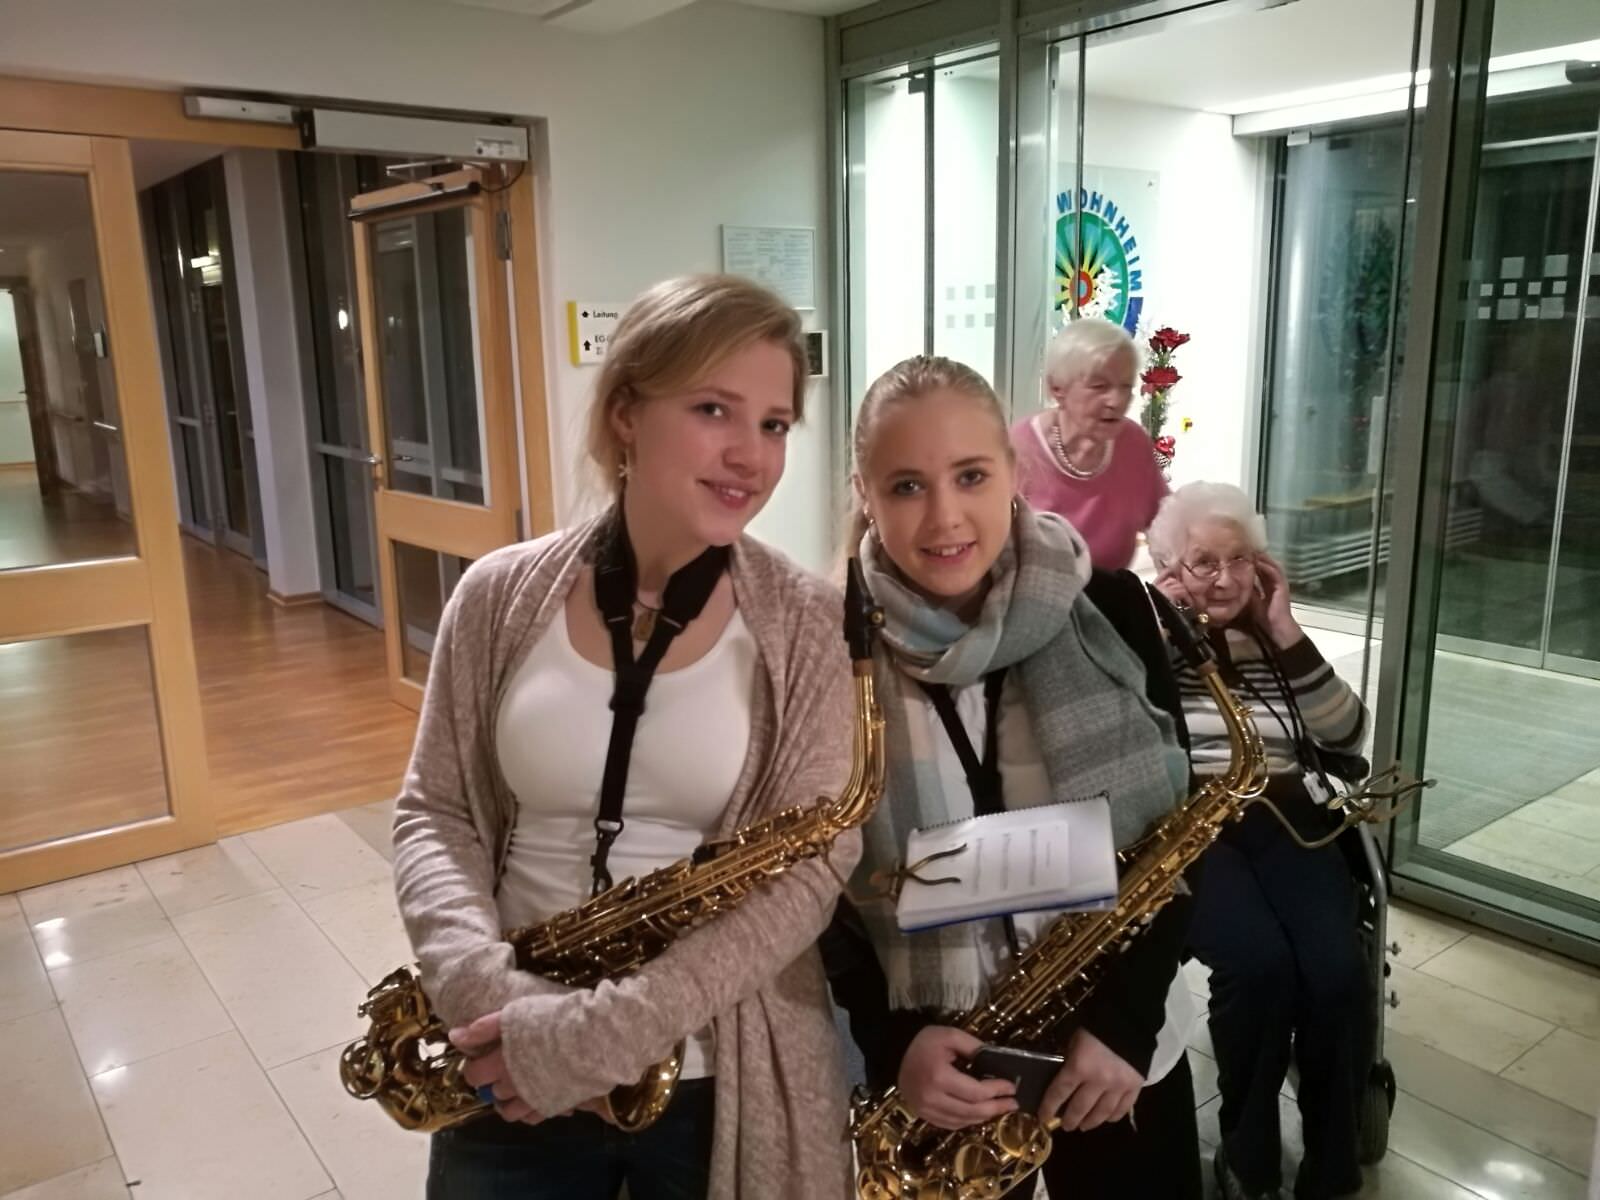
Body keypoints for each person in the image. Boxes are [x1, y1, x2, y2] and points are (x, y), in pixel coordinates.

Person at [391, 274, 860, 1199]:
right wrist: (492, 998)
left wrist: (610, 1033)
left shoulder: (809, 622)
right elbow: (434, 811)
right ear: (625, 415)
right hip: (508, 1049)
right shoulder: (494, 595)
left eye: (774, 424)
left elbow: (812, 869)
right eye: (714, 409)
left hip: (715, 1070)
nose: (751, 455)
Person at [833, 353, 1202, 1198]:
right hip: (952, 1068)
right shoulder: (832, 651)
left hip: (1117, 1055)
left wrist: (1125, 1026)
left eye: (970, 476)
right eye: (906, 486)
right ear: (864, 493)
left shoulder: (1116, 610)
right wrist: (894, 1045)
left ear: (1012, 470)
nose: (945, 517)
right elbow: (825, 892)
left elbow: (1179, 840)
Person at [1150, 481, 1371, 1200]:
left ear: (1261, 566)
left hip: (1287, 815)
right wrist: (1159, 634)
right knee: (1259, 967)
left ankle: (1333, 1160)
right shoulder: (1149, 638)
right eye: (1203, 562)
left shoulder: (1275, 640)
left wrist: (1284, 627)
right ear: (1170, 566)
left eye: (1239, 559)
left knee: (1336, 969)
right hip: (1195, 822)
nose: (1223, 579)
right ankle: (1248, 1155)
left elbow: (1347, 733)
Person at [1011, 317, 1168, 571]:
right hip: (1033, 592)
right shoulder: (1019, 448)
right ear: (1057, 388)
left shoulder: (1132, 443)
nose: (1116, 401)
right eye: (1099, 386)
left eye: (1125, 387)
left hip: (1111, 592)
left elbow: (1166, 529)